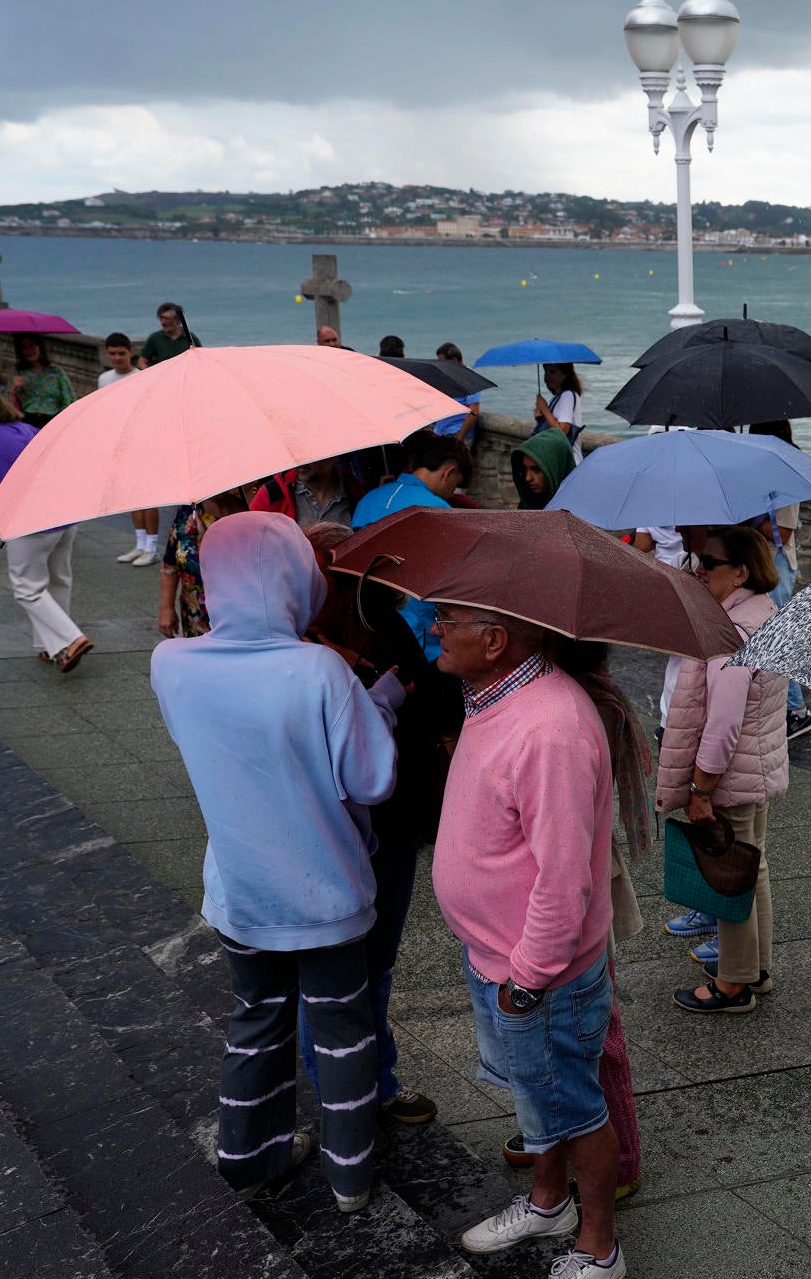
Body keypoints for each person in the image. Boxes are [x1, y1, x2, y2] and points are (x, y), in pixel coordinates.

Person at [151, 512, 402, 1214]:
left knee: (255, 1016)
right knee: (342, 1031)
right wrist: (378, 701)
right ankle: (350, 1174)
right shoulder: (321, 671)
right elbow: (371, 780)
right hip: (325, 895)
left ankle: (247, 1153)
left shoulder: (170, 664)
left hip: (238, 888)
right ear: (297, 578)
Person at [431, 602, 624, 1277]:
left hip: (537, 975)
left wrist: (527, 978)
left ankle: (599, 1246)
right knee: (539, 1097)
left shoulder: (551, 728)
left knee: (575, 1106)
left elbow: (565, 876)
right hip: (502, 959)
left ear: (494, 639)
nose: (434, 627)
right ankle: (549, 1201)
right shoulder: (495, 697)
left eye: (446, 618)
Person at [288, 522, 459, 1127]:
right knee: (334, 970)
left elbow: (437, 702)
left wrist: (366, 668)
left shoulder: (382, 624)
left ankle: (375, 1079)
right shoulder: (294, 646)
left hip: (398, 814)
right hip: (333, 825)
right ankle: (350, 1097)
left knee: (375, 963)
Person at [501, 641, 655, 1202]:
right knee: (574, 1030)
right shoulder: (582, 700)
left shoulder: (580, 708)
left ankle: (618, 1159)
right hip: (579, 885)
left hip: (581, 894)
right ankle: (560, 1136)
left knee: (594, 1031)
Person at [659, 525, 789, 1013]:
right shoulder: (766, 615)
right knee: (752, 869)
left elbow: (723, 723)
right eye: (698, 559)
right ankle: (755, 969)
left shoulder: (733, 632)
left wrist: (700, 786)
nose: (699, 569)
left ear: (741, 570)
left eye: (709, 563)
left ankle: (733, 986)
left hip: (730, 778)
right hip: (756, 771)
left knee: (728, 875)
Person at [0, 386, 93, 670]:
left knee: (27, 588)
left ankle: (70, 639)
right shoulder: (26, 428)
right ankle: (49, 645)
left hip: (27, 516)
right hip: (64, 512)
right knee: (58, 579)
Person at [352, 429, 472, 660]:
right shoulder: (440, 512)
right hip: (419, 637)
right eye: (454, 486)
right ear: (449, 472)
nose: (451, 494)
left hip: (366, 627)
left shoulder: (369, 500)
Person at [746, 420, 811, 741]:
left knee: (777, 638)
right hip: (764, 560)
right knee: (767, 636)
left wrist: (749, 515)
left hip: (778, 563)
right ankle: (783, 707)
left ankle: (797, 712)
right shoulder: (763, 470)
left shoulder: (786, 472)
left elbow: (783, 532)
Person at [98, 333, 161, 565]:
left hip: (143, 442)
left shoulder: (143, 377)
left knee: (149, 496)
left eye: (121, 353)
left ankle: (152, 548)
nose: (117, 358)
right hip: (119, 444)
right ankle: (140, 544)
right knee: (131, 496)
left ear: (130, 353)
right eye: (112, 354)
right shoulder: (104, 379)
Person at [158, 488, 251, 639]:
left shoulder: (249, 512)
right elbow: (170, 565)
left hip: (239, 617)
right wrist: (166, 607)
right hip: (195, 616)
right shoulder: (188, 511)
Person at [8, 335, 75, 429]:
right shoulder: (18, 373)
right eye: (24, 348)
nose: (29, 351)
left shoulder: (56, 371)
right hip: (29, 422)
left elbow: (68, 399)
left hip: (53, 421)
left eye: (32, 346)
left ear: (40, 347)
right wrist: (13, 389)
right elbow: (9, 409)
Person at [512, 428, 575, 510]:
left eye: (536, 470)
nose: (528, 478)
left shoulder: (575, 511)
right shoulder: (528, 505)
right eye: (525, 469)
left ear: (555, 469)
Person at [432, 342, 482, 443]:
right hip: (441, 432)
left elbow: (474, 411)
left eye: (442, 362)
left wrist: (459, 439)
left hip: (455, 433)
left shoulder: (469, 377)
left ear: (454, 360)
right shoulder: (448, 377)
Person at [533, 362, 584, 455]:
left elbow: (562, 431)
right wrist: (541, 417)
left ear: (565, 374)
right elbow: (553, 426)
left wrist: (544, 409)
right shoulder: (557, 398)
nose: (547, 376)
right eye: (545, 371)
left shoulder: (567, 396)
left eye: (552, 372)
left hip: (569, 461)